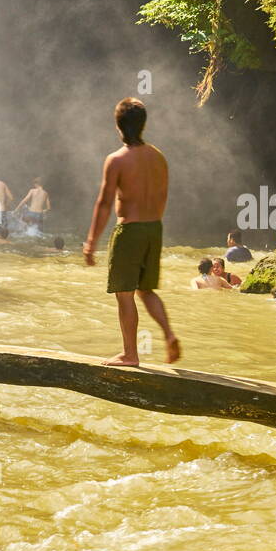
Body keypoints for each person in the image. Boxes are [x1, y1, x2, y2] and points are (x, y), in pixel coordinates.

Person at [83, 97, 181, 366]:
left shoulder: (116, 160)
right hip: (154, 228)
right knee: (146, 290)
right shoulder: (158, 157)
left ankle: (130, 354)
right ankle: (169, 334)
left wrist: (91, 243)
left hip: (130, 229)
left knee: (124, 293)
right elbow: (163, 194)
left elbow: (104, 203)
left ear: (118, 126)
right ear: (143, 124)